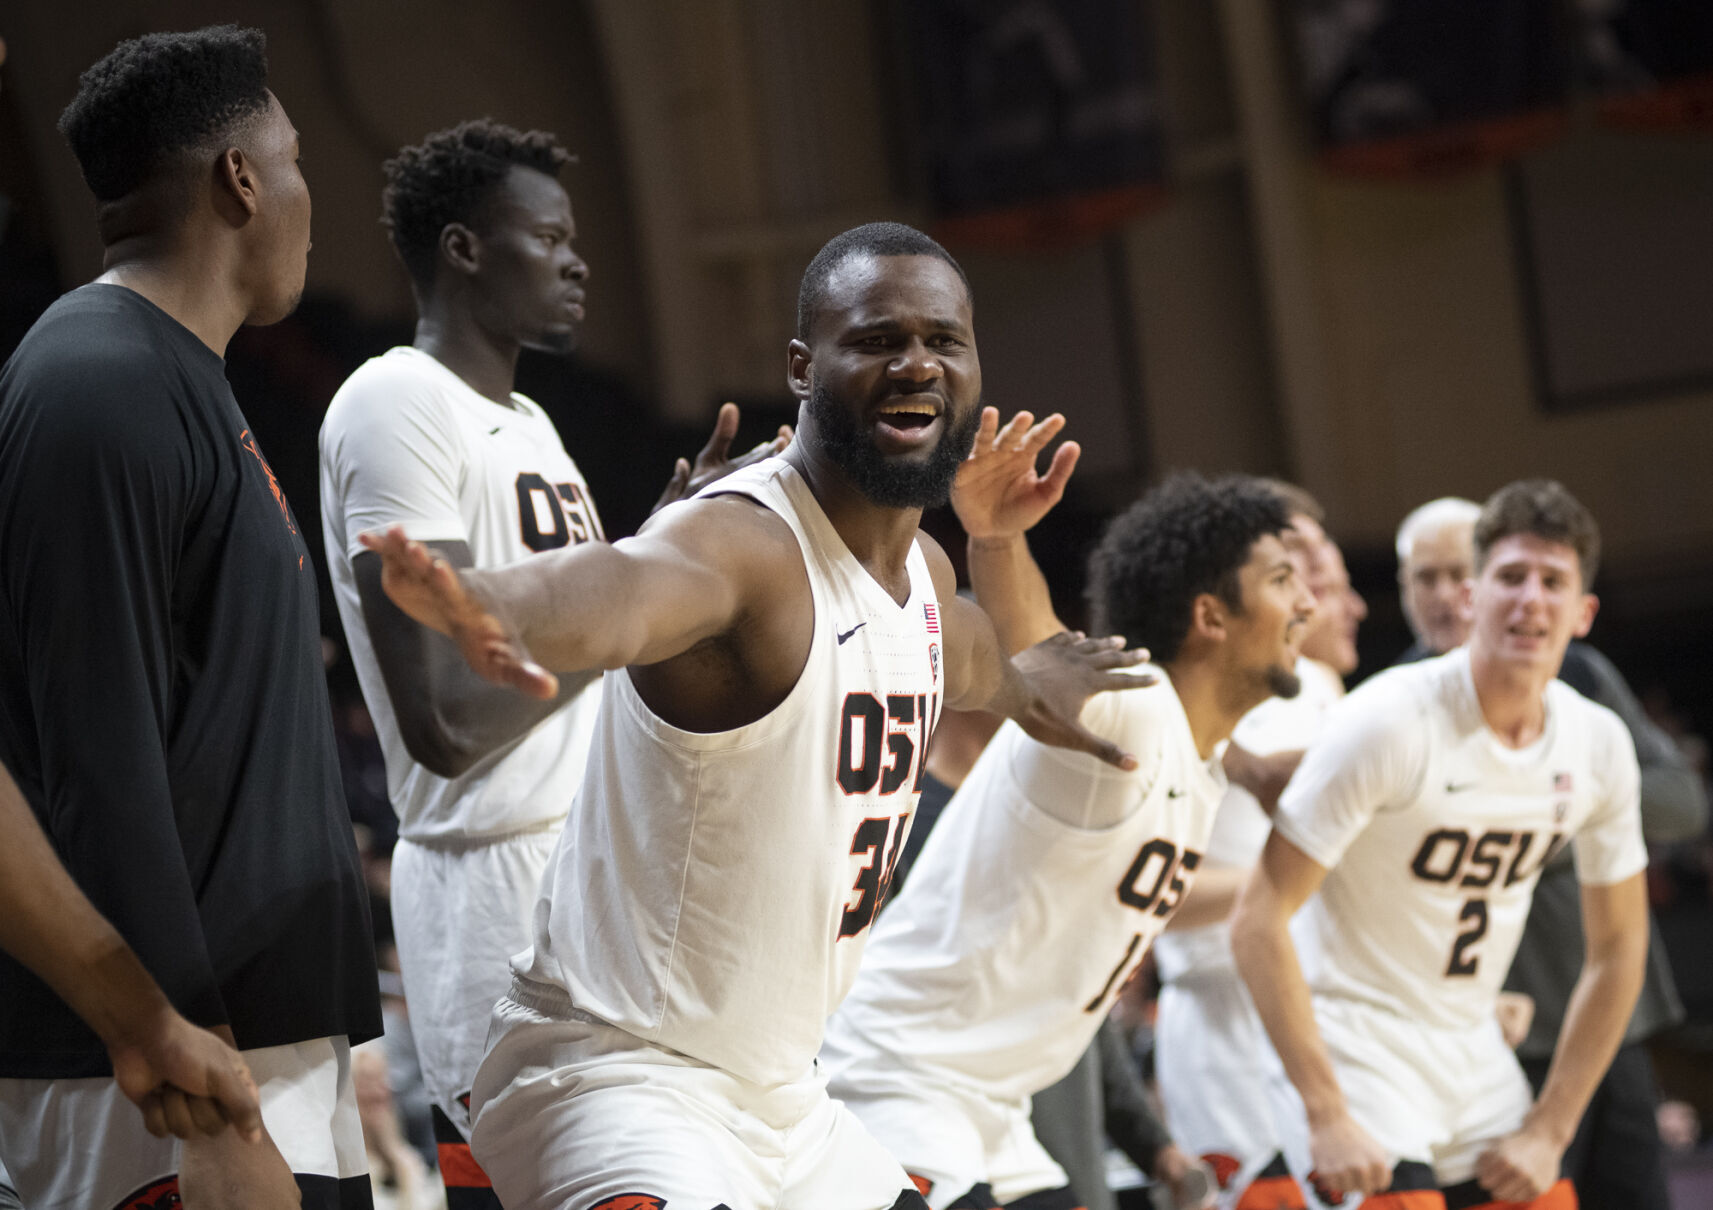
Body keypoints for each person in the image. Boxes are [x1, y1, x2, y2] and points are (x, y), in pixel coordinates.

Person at [362, 222, 1151, 1210]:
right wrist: (498, 603)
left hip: (786, 1098)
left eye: (943, 340)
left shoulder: (923, 578)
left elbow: (982, 660)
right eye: (874, 339)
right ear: (801, 366)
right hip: (621, 1077)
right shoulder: (744, 543)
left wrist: (1043, 686)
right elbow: (626, 583)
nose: (914, 362)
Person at [319, 118, 786, 1206]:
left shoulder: (529, 422)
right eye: (550, 236)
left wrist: (642, 570)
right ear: (464, 249)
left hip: (592, 870)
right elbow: (442, 712)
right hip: (492, 881)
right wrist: (639, 615)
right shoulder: (396, 401)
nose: (578, 261)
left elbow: (572, 644)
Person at [0, 25, 380, 1210]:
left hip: (246, 1046)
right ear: (241, 177)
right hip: (169, 1074)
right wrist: (187, 1061)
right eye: (300, 159)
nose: (311, 199)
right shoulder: (95, 378)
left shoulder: (176, 377)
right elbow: (96, 756)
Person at [818, 429, 1315, 1210]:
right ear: (1211, 617)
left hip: (994, 1108)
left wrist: (1301, 863)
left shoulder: (1194, 762)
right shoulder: (1134, 712)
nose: (1307, 604)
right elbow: (1041, 649)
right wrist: (997, 537)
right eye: (1285, 581)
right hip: (899, 1076)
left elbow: (1168, 900)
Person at [1231, 479, 1651, 1208]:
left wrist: (1551, 1126)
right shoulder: (1386, 720)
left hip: (1472, 1044)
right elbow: (1255, 919)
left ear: (1582, 613)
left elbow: (1618, 950)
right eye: (1510, 577)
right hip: (1354, 1047)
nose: (1530, 600)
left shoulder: (1597, 742)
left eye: (1552, 582)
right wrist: (1324, 1111)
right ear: (1471, 599)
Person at [1392, 495, 1708, 1210]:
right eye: (1425, 579)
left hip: (1610, 1018)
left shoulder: (1581, 677)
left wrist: (1540, 817)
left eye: (1454, 574)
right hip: (1488, 1031)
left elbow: (1681, 802)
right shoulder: (1391, 706)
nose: (1443, 596)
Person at [1152, 484, 1357, 1210]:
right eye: (1288, 558)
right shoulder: (1177, 692)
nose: (1313, 574)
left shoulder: (1323, 685)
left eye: (1316, 553)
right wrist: (1279, 889)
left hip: (1312, 1009)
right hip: (1217, 1022)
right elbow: (1144, 894)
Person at [1394, 496, 1481, 663]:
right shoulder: (1390, 686)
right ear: (1405, 586)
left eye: (1458, 575)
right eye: (1427, 578)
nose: (1444, 595)